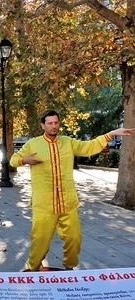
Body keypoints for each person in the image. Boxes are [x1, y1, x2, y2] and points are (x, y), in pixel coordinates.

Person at [9, 109, 135, 271]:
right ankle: (33, 269)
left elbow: (89, 147)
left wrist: (110, 134)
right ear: (43, 125)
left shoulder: (68, 142)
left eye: (56, 122)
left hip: (68, 203)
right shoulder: (33, 144)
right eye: (50, 123)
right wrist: (24, 160)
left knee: (75, 238)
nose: (54, 126)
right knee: (39, 241)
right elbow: (13, 160)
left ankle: (69, 268)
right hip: (44, 205)